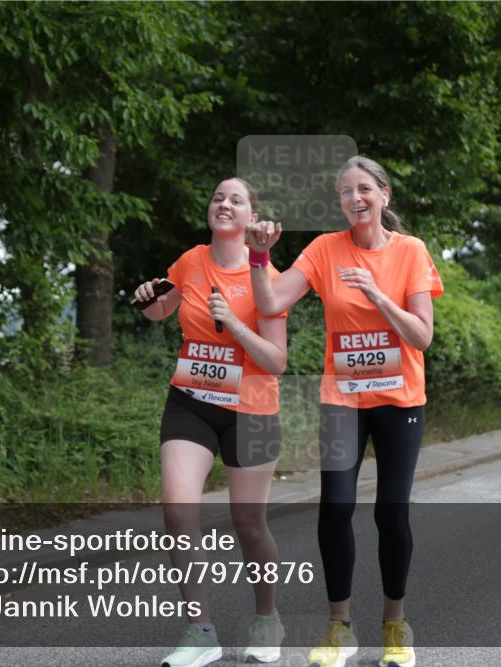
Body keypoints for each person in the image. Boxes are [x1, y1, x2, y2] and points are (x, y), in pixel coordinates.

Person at [247, 155, 444, 667]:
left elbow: (422, 336)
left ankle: (395, 627)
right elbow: (269, 304)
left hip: (400, 401)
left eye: (363, 189)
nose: (354, 199)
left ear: (384, 195)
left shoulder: (411, 252)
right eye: (344, 192)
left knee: (390, 512)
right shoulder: (324, 250)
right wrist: (258, 258)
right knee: (335, 508)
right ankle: (339, 629)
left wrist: (379, 296)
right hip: (343, 400)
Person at [133, 177, 288, 666]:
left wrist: (238, 324)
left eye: (236, 199)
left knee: (249, 523)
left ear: (251, 218)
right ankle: (200, 630)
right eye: (218, 197)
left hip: (252, 409)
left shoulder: (269, 276)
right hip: (191, 400)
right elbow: (161, 310)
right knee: (179, 510)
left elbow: (277, 359)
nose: (224, 204)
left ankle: (267, 620)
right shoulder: (191, 261)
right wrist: (145, 300)